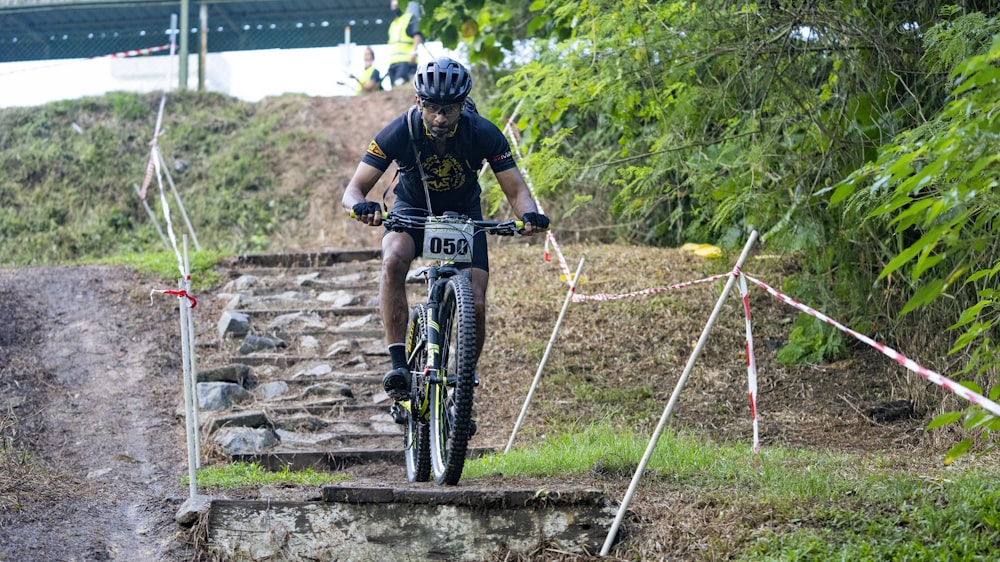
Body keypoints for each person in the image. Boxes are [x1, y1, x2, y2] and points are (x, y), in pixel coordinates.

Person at [342, 57, 550, 401]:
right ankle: (398, 365)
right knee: (393, 259)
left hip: (464, 216)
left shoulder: (483, 133)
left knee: (476, 302)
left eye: (449, 110)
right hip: (411, 209)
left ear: (463, 105)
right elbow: (352, 191)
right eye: (433, 108)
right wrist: (361, 208)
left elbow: (517, 191)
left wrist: (529, 215)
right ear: (418, 102)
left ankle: (462, 387)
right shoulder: (399, 131)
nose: (440, 118)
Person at [386, 0, 423, 88]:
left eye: (396, 3)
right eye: (393, 4)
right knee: (394, 88)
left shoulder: (410, 18)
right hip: (393, 63)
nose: (394, 5)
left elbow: (417, 35)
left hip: (406, 61)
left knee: (400, 84)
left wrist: (414, 52)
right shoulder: (393, 24)